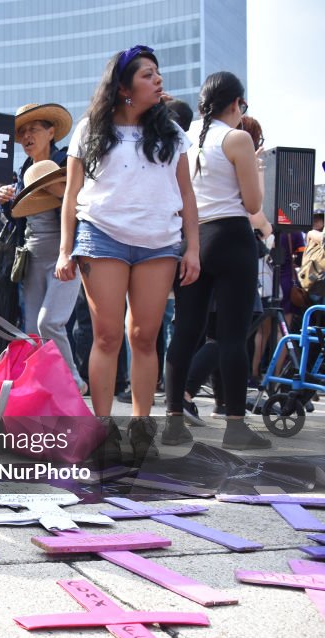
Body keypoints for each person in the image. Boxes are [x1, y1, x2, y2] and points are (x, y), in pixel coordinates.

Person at [55, 45, 199, 462]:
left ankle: (140, 426)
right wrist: (66, 250)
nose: (158, 80)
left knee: (145, 337)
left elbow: (187, 196)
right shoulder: (89, 129)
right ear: (123, 87)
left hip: (159, 242)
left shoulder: (172, 133)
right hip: (102, 237)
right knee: (107, 335)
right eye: (148, 75)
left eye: (158, 74)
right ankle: (102, 428)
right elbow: (70, 195)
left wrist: (193, 249)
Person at [163, 73, 269, 449]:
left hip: (191, 238)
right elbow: (254, 205)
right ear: (236, 103)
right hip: (231, 238)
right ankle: (236, 426)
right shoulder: (237, 138)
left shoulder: (182, 137)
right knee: (232, 335)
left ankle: (173, 421)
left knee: (186, 330)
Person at [0, 103, 85, 391]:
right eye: (22, 132)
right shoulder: (21, 170)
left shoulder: (68, 163)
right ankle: (43, 388)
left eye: (33, 129)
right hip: (32, 258)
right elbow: (17, 220)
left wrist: (57, 189)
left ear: (51, 132)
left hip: (67, 255)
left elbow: (83, 207)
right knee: (31, 332)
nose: (26, 136)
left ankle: (73, 381)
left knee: (50, 323)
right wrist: (5, 203)